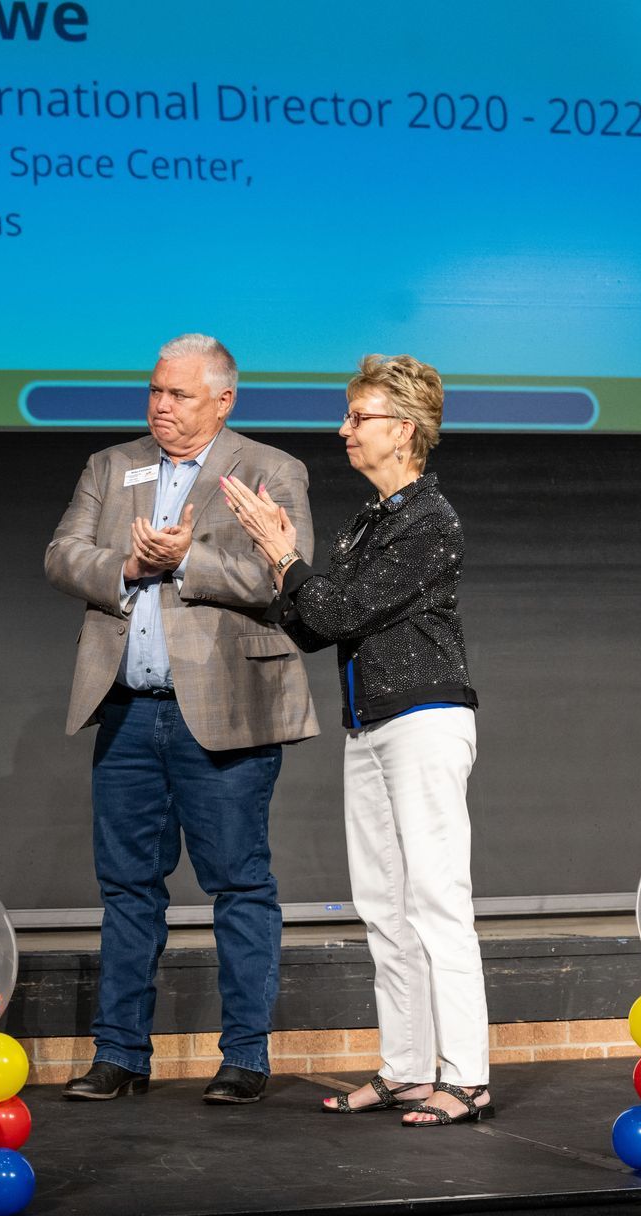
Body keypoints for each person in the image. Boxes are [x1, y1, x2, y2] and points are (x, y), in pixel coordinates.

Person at [44, 333, 317, 1106]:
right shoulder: (109, 466)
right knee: (127, 886)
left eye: (180, 395)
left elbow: (278, 577)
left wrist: (183, 561)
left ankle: (244, 1056)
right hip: (126, 710)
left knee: (239, 882)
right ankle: (122, 1053)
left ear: (224, 399)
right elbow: (61, 554)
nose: (161, 407)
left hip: (226, 709)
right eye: (156, 391)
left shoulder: (270, 470)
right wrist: (129, 567)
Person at [223, 354, 487, 1127]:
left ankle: (467, 1074)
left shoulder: (429, 519)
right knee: (382, 903)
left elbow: (337, 611)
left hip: (425, 718)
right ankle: (408, 1067)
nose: (344, 429)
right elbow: (312, 622)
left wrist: (285, 557)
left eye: (358, 417)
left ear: (402, 429)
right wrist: (284, 567)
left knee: (437, 897)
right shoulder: (369, 520)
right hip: (369, 722)